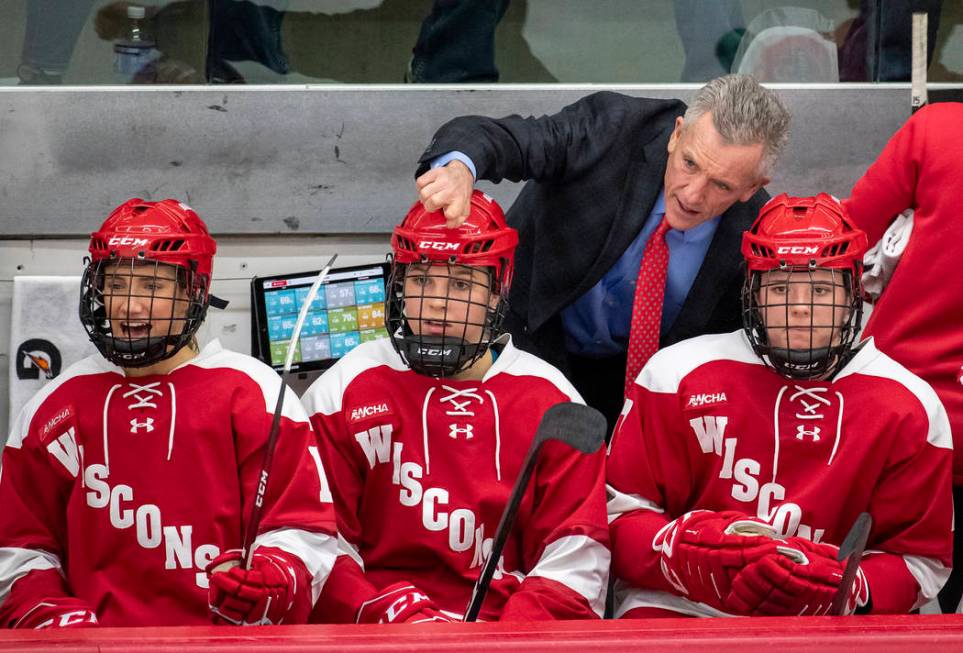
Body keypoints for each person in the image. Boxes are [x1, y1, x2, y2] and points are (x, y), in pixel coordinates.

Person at [606, 193, 953, 618]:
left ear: (851, 293)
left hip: (829, 626)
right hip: (683, 607)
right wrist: (683, 552)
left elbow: (922, 559)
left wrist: (849, 588)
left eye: (822, 288)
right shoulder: (675, 375)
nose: (801, 308)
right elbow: (615, 519)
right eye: (781, 287)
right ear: (752, 291)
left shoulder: (909, 406)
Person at [0, 199, 337, 628]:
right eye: (117, 284)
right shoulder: (53, 406)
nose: (129, 307)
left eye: (152, 287)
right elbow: (19, 545)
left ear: (193, 291)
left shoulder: (254, 393)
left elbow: (302, 527)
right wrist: (44, 607)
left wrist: (272, 578)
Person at [414, 74, 791, 430]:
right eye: (689, 164)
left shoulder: (753, 235)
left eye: (721, 185)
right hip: (531, 335)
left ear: (750, 187)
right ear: (677, 135)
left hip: (638, 383)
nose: (692, 195)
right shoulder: (613, 129)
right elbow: (507, 138)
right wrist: (460, 169)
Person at [301, 191, 609, 623]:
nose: (438, 302)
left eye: (462, 283)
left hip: (503, 634)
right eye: (421, 279)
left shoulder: (552, 400)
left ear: (498, 290)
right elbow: (314, 538)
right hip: (380, 634)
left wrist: (511, 637)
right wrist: (382, 613)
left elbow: (578, 554)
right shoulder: (343, 389)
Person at [842, 101, 963, 613]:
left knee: (891, 593)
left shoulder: (942, 130)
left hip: (906, 408)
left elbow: (846, 234)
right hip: (910, 412)